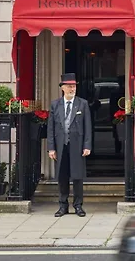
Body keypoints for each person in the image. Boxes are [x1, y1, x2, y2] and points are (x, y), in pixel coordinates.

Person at [47, 73, 92, 217]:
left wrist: (87, 145)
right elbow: (51, 128)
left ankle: (78, 206)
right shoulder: (55, 104)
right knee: (62, 177)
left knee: (77, 177)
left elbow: (88, 126)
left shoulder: (82, 104)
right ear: (63, 88)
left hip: (77, 145)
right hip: (61, 145)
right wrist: (51, 148)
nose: (72, 89)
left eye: (74, 86)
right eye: (69, 86)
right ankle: (63, 206)